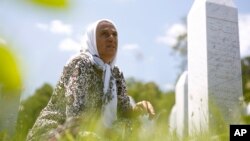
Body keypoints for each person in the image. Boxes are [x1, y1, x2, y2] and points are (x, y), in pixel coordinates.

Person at [26, 19, 155, 141]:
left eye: (114, 34)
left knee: (134, 125)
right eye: (104, 34)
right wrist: (109, 134)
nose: (111, 38)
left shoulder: (116, 73)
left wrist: (138, 108)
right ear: (92, 40)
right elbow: (75, 117)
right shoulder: (81, 63)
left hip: (94, 131)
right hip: (61, 130)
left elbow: (124, 112)